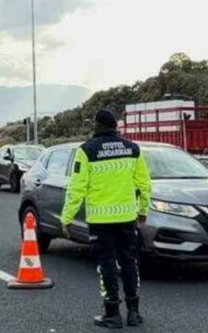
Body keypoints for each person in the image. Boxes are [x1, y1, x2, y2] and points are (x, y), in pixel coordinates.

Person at [61, 109, 152, 329]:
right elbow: (144, 184)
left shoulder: (86, 151)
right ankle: (134, 313)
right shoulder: (133, 149)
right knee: (129, 263)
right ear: (115, 127)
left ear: (97, 126)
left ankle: (112, 314)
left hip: (101, 220)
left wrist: (67, 218)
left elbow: (77, 189)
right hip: (127, 217)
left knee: (107, 265)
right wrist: (143, 211)